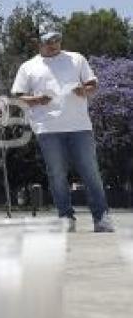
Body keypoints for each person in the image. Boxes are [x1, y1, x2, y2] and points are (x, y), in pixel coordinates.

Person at [11, 28, 114, 233]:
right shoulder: (28, 67)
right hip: (48, 128)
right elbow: (18, 96)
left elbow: (93, 84)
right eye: (49, 40)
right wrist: (38, 99)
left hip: (80, 127)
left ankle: (101, 218)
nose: (54, 43)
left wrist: (84, 90)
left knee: (91, 173)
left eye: (57, 39)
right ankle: (66, 218)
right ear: (39, 42)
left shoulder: (76, 59)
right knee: (57, 175)